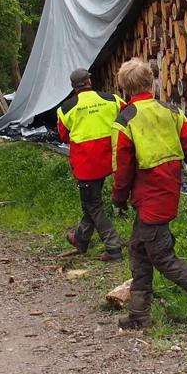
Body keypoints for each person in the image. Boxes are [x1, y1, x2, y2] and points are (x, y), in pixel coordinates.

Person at [110, 58, 187, 329]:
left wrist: (118, 201)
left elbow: (122, 168)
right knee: (139, 250)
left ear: (124, 88)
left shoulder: (125, 120)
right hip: (168, 193)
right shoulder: (172, 112)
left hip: (149, 199)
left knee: (163, 258)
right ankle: (139, 314)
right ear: (151, 80)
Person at [57, 68, 125, 261]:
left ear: (73, 87)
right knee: (91, 202)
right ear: (89, 81)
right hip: (109, 160)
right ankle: (81, 238)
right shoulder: (112, 99)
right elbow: (128, 116)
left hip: (86, 164)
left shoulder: (65, 109)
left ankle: (113, 246)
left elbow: (63, 135)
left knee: (92, 204)